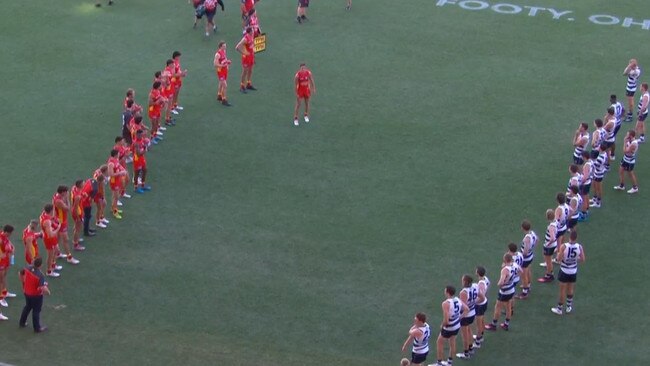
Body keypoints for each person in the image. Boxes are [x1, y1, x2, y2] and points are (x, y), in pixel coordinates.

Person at [551, 230, 586, 315]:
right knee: (570, 289)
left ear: (569, 237)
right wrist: (574, 259)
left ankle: (559, 309)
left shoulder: (564, 246)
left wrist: (562, 257)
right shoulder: (579, 247)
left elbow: (558, 259)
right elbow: (582, 259)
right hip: (573, 271)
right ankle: (568, 307)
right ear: (576, 238)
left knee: (562, 290)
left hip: (564, 270)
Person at [432, 286, 467, 366]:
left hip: (449, 327)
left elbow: (446, 320)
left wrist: (442, 325)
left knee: (439, 342)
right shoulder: (458, 299)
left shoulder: (445, 303)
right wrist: (458, 318)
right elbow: (466, 309)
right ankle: (449, 362)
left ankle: (439, 363)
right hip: (457, 325)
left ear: (447, 292)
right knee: (452, 342)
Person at [485, 253, 516, 331]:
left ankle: (494, 324)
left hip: (505, 291)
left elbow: (501, 282)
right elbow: (520, 271)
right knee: (508, 306)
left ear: (505, 260)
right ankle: (506, 324)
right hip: (511, 288)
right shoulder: (515, 265)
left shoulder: (505, 270)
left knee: (498, 307)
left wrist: (499, 284)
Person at [18, 257, 50, 332]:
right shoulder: (40, 275)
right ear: (40, 265)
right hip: (36, 296)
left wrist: (23, 283)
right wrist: (48, 292)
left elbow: (20, 273)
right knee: (36, 310)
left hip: (26, 292)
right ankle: (37, 328)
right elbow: (42, 288)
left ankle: (22, 322)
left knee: (27, 307)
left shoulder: (27, 267)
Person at [52, 185, 80, 264]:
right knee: (66, 240)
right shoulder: (59, 201)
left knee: (58, 239)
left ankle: (57, 253)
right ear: (63, 192)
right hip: (61, 221)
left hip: (59, 220)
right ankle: (69, 257)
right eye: (66, 192)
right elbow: (68, 209)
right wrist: (67, 199)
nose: (67, 192)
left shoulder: (56, 196)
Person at [456, 275, 478, 360]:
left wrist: (459, 317)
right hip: (473, 312)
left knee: (464, 335)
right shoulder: (474, 287)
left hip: (466, 315)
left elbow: (464, 307)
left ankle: (466, 353)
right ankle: (471, 347)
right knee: (469, 330)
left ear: (465, 281)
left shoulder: (463, 292)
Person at [515, 220, 537, 299]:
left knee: (523, 274)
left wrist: (521, 255)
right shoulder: (532, 233)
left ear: (522, 228)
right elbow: (537, 240)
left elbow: (525, 250)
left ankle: (525, 292)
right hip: (530, 256)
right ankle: (528, 285)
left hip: (526, 258)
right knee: (528, 271)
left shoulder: (527, 238)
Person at [39, 204, 61, 277]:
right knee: (50, 255)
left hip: (50, 236)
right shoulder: (47, 221)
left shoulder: (43, 215)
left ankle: (53, 265)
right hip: (49, 239)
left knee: (57, 250)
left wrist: (54, 220)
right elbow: (50, 235)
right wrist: (58, 227)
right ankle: (49, 271)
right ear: (51, 210)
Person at [0, 225, 16, 316]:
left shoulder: (5, 237)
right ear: (7, 232)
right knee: (1, 279)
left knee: (4, 277)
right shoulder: (1, 238)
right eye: (10, 233)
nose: (10, 235)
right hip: (1, 262)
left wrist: (12, 247)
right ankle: (1, 298)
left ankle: (5, 292)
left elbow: (8, 243)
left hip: (6, 260)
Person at [538, 209, 558, 282]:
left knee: (548, 261)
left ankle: (549, 275)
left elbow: (552, 238)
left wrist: (547, 244)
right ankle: (550, 273)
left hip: (550, 246)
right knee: (548, 260)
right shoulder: (555, 222)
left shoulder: (551, 226)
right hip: (553, 245)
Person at [472, 266, 489, 349]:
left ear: (478, 273)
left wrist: (474, 302)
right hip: (484, 303)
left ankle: (478, 342)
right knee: (481, 320)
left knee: (478, 323)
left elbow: (481, 296)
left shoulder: (481, 283)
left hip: (480, 305)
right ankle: (481, 336)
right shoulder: (485, 279)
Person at [108, 149, 128, 219]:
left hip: (117, 180)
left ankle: (113, 208)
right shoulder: (111, 163)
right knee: (116, 197)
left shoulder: (115, 160)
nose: (119, 154)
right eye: (119, 153)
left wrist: (123, 170)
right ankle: (115, 211)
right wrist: (120, 173)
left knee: (115, 196)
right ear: (116, 154)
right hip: (114, 181)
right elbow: (110, 174)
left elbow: (118, 166)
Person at [236, 27, 257, 93]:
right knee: (245, 71)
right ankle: (242, 86)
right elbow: (237, 47)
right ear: (249, 31)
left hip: (251, 56)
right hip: (246, 57)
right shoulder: (245, 38)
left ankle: (248, 83)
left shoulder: (252, 36)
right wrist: (244, 52)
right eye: (252, 30)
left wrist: (254, 56)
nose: (253, 31)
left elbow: (252, 46)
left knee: (250, 70)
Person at [214, 41, 232, 106]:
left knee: (221, 83)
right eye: (224, 46)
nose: (225, 47)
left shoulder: (224, 51)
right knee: (225, 85)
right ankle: (224, 100)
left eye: (225, 46)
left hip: (224, 70)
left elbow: (224, 59)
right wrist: (223, 66)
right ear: (220, 46)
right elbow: (215, 64)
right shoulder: (217, 54)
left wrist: (227, 62)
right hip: (220, 71)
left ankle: (219, 95)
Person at [70, 179, 87, 249]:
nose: (84, 184)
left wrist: (83, 194)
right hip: (78, 212)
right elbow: (75, 207)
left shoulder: (74, 188)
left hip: (78, 211)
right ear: (80, 185)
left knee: (77, 227)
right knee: (78, 228)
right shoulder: (78, 197)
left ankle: (75, 239)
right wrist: (78, 217)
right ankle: (75, 244)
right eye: (83, 183)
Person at [578, 151, 593, 221]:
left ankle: (584, 214)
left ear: (584, 157)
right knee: (586, 195)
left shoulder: (587, 165)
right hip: (589, 182)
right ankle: (587, 209)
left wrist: (581, 182)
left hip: (585, 183)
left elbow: (585, 176)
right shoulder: (591, 162)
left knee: (583, 198)